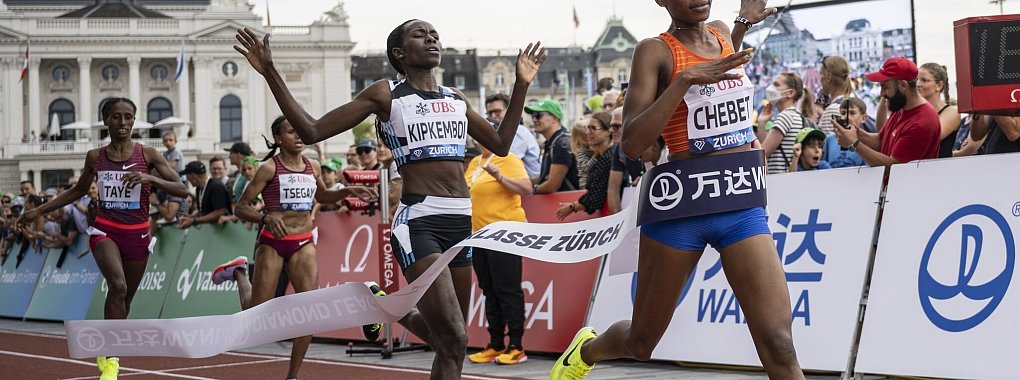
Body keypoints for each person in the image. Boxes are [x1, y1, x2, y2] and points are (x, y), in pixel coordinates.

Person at [235, 20, 544, 379]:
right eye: (419, 35)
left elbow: (501, 144)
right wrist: (270, 71)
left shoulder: (455, 98)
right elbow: (312, 129)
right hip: (419, 223)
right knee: (455, 337)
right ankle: (385, 307)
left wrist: (522, 84)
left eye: (434, 34)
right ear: (400, 53)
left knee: (451, 344)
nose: (431, 38)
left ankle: (381, 306)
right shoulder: (386, 94)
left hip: (461, 224)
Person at [549, 0, 805, 379]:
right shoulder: (653, 51)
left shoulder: (723, 32)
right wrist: (683, 81)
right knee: (641, 343)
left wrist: (741, 24)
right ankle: (586, 350)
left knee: (779, 344)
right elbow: (632, 144)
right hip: (682, 206)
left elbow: (716, 82)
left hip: (739, 202)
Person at [17, 98, 188, 380]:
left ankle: (107, 343)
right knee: (117, 286)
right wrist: (39, 209)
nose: (123, 122)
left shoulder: (147, 154)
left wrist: (150, 179)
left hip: (138, 234)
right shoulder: (96, 157)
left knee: (125, 299)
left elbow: (181, 189)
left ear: (134, 120)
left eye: (128, 117)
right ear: (106, 121)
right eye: (116, 117)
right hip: (106, 230)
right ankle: (112, 360)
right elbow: (76, 192)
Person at [210, 116, 374, 380]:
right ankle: (239, 272)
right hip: (273, 243)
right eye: (290, 131)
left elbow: (322, 196)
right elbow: (240, 208)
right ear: (278, 138)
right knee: (254, 316)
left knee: (309, 312)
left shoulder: (313, 166)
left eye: (299, 131)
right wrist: (265, 217)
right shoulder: (269, 168)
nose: (298, 135)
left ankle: (293, 375)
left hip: (303, 242)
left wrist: (347, 191)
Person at [464, 118, 532, 366]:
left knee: (507, 289)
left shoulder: (509, 158)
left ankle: (517, 346)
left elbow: (526, 188)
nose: (481, 139)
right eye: (478, 134)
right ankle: (495, 344)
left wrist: (500, 176)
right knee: (489, 290)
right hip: (480, 235)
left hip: (505, 234)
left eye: (486, 133)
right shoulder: (474, 162)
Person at [832, 57, 940, 167]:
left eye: (885, 87)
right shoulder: (901, 106)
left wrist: (854, 144)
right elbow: (881, 141)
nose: (881, 93)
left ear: (903, 85)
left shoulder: (923, 121)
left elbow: (894, 167)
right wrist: (857, 132)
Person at [556, 111, 614, 220]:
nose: (588, 132)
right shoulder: (601, 156)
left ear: (608, 131)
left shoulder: (608, 157)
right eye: (588, 128)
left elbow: (595, 198)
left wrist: (573, 207)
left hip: (613, 218)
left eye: (593, 128)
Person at [757, 71, 815, 174]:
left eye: (776, 85)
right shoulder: (796, 116)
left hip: (779, 177)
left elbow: (763, 154)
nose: (771, 88)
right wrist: (762, 123)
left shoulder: (785, 117)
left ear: (790, 93)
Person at [527, 99, 580, 194]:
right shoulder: (552, 143)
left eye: (538, 115)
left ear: (554, 118)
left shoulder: (561, 144)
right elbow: (544, 176)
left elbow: (551, 186)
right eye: (533, 116)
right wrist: (520, 182)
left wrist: (531, 190)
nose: (534, 120)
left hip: (567, 201)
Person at [485, 93, 541, 177]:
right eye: (490, 113)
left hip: (529, 181)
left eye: (497, 112)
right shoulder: (501, 133)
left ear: (509, 112)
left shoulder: (518, 132)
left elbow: (504, 161)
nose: (493, 116)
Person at [916, 63, 961, 158]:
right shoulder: (914, 111)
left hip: (939, 165)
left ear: (939, 85)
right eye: (916, 80)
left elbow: (929, 138)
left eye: (924, 80)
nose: (918, 84)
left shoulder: (951, 112)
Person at [177, 161, 231, 229]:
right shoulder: (199, 188)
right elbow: (205, 212)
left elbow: (220, 212)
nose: (187, 178)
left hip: (225, 229)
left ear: (193, 175)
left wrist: (194, 221)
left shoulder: (216, 186)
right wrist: (190, 217)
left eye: (187, 175)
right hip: (212, 230)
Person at [823, 97, 868, 168]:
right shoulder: (830, 139)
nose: (846, 117)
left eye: (852, 113)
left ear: (863, 118)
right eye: (843, 113)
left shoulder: (868, 141)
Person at [816, 55, 855, 134]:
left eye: (821, 74)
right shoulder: (854, 103)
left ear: (828, 77)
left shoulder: (831, 112)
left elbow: (831, 141)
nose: (820, 79)